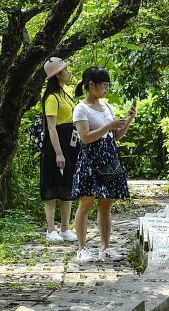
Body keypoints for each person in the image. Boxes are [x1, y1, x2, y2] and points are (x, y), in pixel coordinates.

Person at [71, 67, 135, 262]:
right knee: (86, 203)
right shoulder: (81, 109)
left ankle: (105, 247)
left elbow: (115, 136)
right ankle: (81, 249)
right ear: (91, 85)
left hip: (109, 160)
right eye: (104, 84)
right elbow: (85, 137)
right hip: (91, 161)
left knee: (106, 204)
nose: (106, 88)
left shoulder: (107, 107)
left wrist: (128, 120)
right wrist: (108, 125)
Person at [39, 57, 79, 243]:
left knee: (67, 184)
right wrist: (58, 152)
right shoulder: (51, 98)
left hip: (70, 143)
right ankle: (50, 229)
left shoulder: (65, 94)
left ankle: (65, 228)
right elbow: (51, 127)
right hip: (55, 144)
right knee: (51, 184)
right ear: (57, 75)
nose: (68, 72)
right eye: (65, 70)